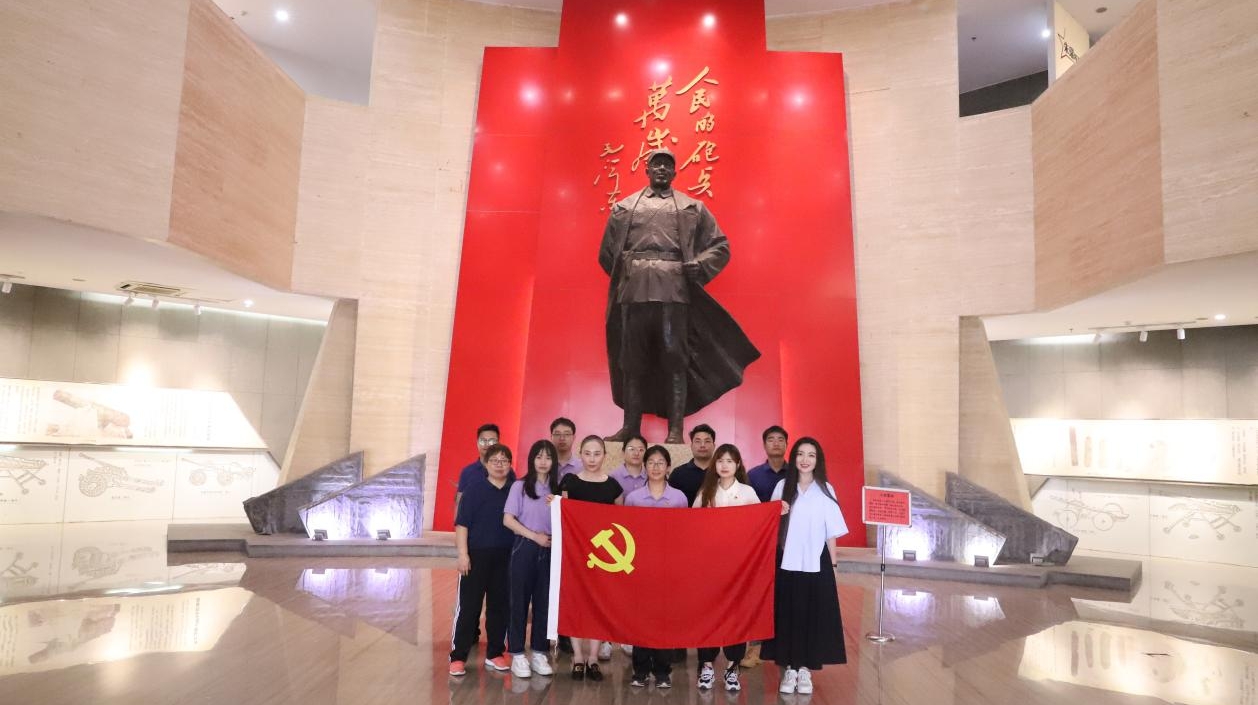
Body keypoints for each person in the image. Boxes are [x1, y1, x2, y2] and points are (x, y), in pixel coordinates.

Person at [599, 148, 759, 444]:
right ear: (646, 170)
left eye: (667, 166)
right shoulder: (624, 208)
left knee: (675, 358)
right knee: (631, 362)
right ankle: (631, 427)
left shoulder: (692, 208)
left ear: (674, 172)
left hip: (674, 291)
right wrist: (634, 272)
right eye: (656, 164)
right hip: (633, 292)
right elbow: (607, 255)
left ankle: (675, 431)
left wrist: (699, 265)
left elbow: (720, 246)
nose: (661, 169)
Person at [762, 437, 849, 694]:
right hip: (786, 561)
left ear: (817, 460)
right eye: (800, 454)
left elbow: (831, 533)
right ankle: (789, 669)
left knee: (812, 615)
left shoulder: (826, 489)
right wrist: (776, 512)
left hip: (816, 561)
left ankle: (804, 670)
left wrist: (834, 565)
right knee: (788, 614)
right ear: (794, 457)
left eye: (811, 455)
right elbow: (769, 524)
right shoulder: (782, 487)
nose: (805, 459)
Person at [691, 443, 759, 691]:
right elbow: (693, 526)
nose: (724, 465)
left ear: (738, 464)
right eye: (720, 460)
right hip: (710, 567)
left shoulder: (748, 492)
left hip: (740, 567)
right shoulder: (705, 492)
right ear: (714, 464)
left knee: (735, 616)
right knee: (708, 615)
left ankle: (732, 667)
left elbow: (759, 523)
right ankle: (707, 665)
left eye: (730, 461)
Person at [559, 435, 624, 680]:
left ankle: (594, 657)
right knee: (575, 603)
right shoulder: (569, 482)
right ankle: (577, 656)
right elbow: (561, 515)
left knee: (599, 603)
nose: (592, 458)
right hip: (575, 555)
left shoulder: (614, 487)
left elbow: (620, 524)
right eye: (587, 453)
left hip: (603, 557)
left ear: (605, 456)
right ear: (581, 454)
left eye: (597, 454)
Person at [623, 445, 687, 688]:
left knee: (664, 620)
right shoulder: (634, 498)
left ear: (668, 467)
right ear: (645, 466)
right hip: (640, 566)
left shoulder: (679, 498)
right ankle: (640, 671)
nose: (656, 467)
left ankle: (662, 671)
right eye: (651, 462)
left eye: (661, 463)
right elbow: (627, 533)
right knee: (640, 619)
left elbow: (685, 534)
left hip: (669, 568)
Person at [450, 443, 516, 676]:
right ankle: (458, 656)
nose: (500, 465)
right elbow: (462, 524)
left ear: (510, 465)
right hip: (476, 557)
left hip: (506, 557)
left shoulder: (515, 490)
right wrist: (463, 554)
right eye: (495, 460)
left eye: (504, 461)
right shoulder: (474, 489)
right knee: (469, 608)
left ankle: (495, 653)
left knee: (499, 607)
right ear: (486, 464)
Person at [502, 440, 560, 678]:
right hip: (525, 547)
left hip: (550, 550)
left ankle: (538, 652)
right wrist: (534, 536)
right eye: (539, 457)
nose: (543, 462)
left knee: (544, 603)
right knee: (519, 601)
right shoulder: (520, 486)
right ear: (532, 459)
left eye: (548, 457)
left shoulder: (558, 489)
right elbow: (508, 520)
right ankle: (517, 653)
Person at [741, 425, 787, 668]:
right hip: (761, 544)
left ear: (786, 444)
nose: (776, 443)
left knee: (785, 593)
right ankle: (755, 648)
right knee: (759, 593)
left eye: (780, 439)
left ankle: (784, 645)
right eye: (771, 439)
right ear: (764, 444)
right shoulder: (753, 475)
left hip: (788, 542)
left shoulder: (796, 474)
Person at [454, 423, 500, 513]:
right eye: (483, 441)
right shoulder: (467, 472)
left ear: (498, 444)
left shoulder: (507, 472)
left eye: (492, 441)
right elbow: (459, 504)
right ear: (477, 443)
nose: (487, 444)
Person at [667, 424, 716, 507]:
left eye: (707, 441)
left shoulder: (721, 472)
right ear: (691, 446)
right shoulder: (678, 474)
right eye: (698, 441)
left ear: (714, 446)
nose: (702, 445)